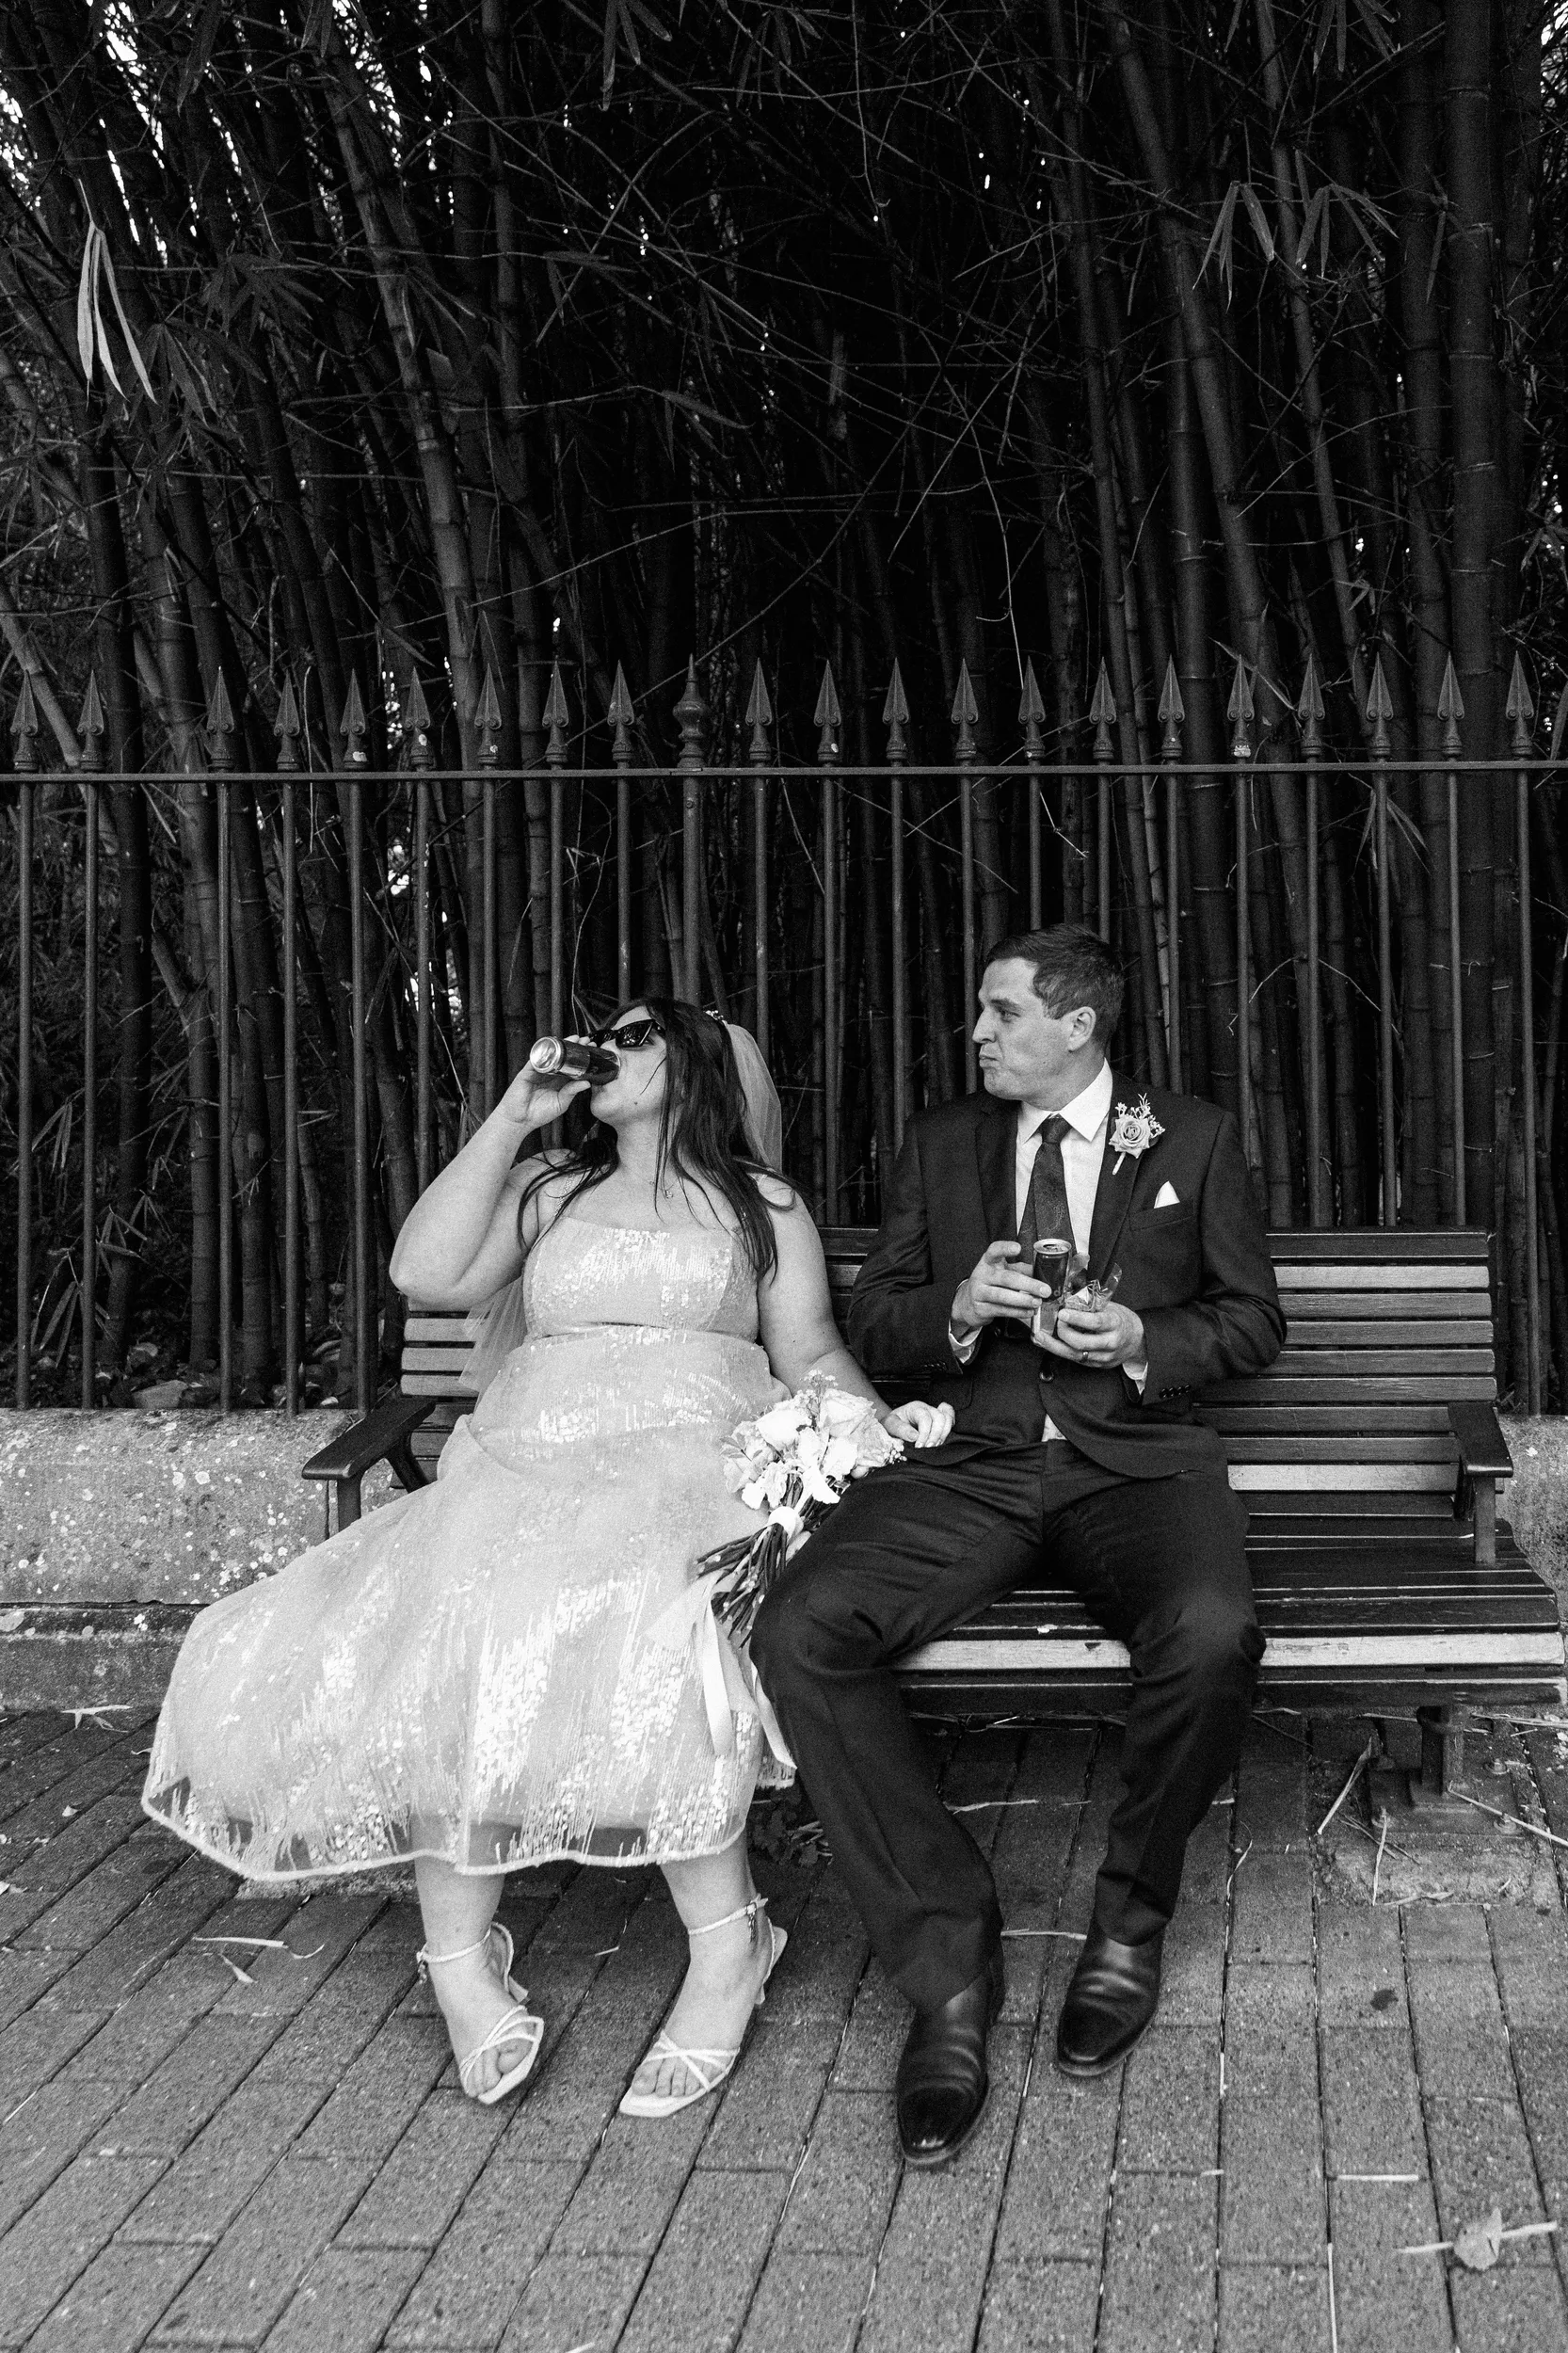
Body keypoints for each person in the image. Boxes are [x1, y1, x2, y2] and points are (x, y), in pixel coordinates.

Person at [144, 1000, 951, 2118]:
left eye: (632, 1035)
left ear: (696, 1062)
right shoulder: (547, 1189)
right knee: (465, 1606)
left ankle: (730, 1948)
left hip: (690, 1461)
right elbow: (425, 1275)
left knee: (658, 1603)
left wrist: (877, 1445)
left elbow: (807, 1347)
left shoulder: (761, 1206)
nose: (603, 1051)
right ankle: (461, 1965)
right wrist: (515, 1116)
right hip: (532, 1458)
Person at [750, 926, 1285, 2167]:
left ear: (1075, 1025)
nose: (976, 1034)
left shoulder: (1189, 1137)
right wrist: (952, 1308)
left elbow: (1253, 1321)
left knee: (1212, 1635)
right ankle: (945, 1970)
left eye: (997, 1012)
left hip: (1134, 1465)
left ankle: (1126, 1930)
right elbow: (872, 1318)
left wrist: (1140, 1341)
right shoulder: (943, 1143)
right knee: (802, 1625)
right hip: (977, 1459)